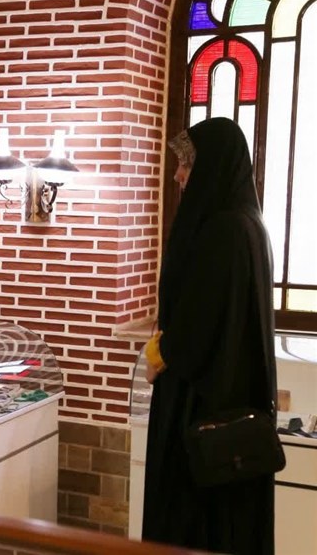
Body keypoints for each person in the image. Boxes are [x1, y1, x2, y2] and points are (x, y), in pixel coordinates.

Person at [142, 117, 278, 554]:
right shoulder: (249, 224)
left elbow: (195, 329)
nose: (179, 175)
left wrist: (157, 355)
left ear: (213, 166)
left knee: (193, 527)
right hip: (233, 407)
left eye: (187, 164)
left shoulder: (222, 231)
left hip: (200, 412)